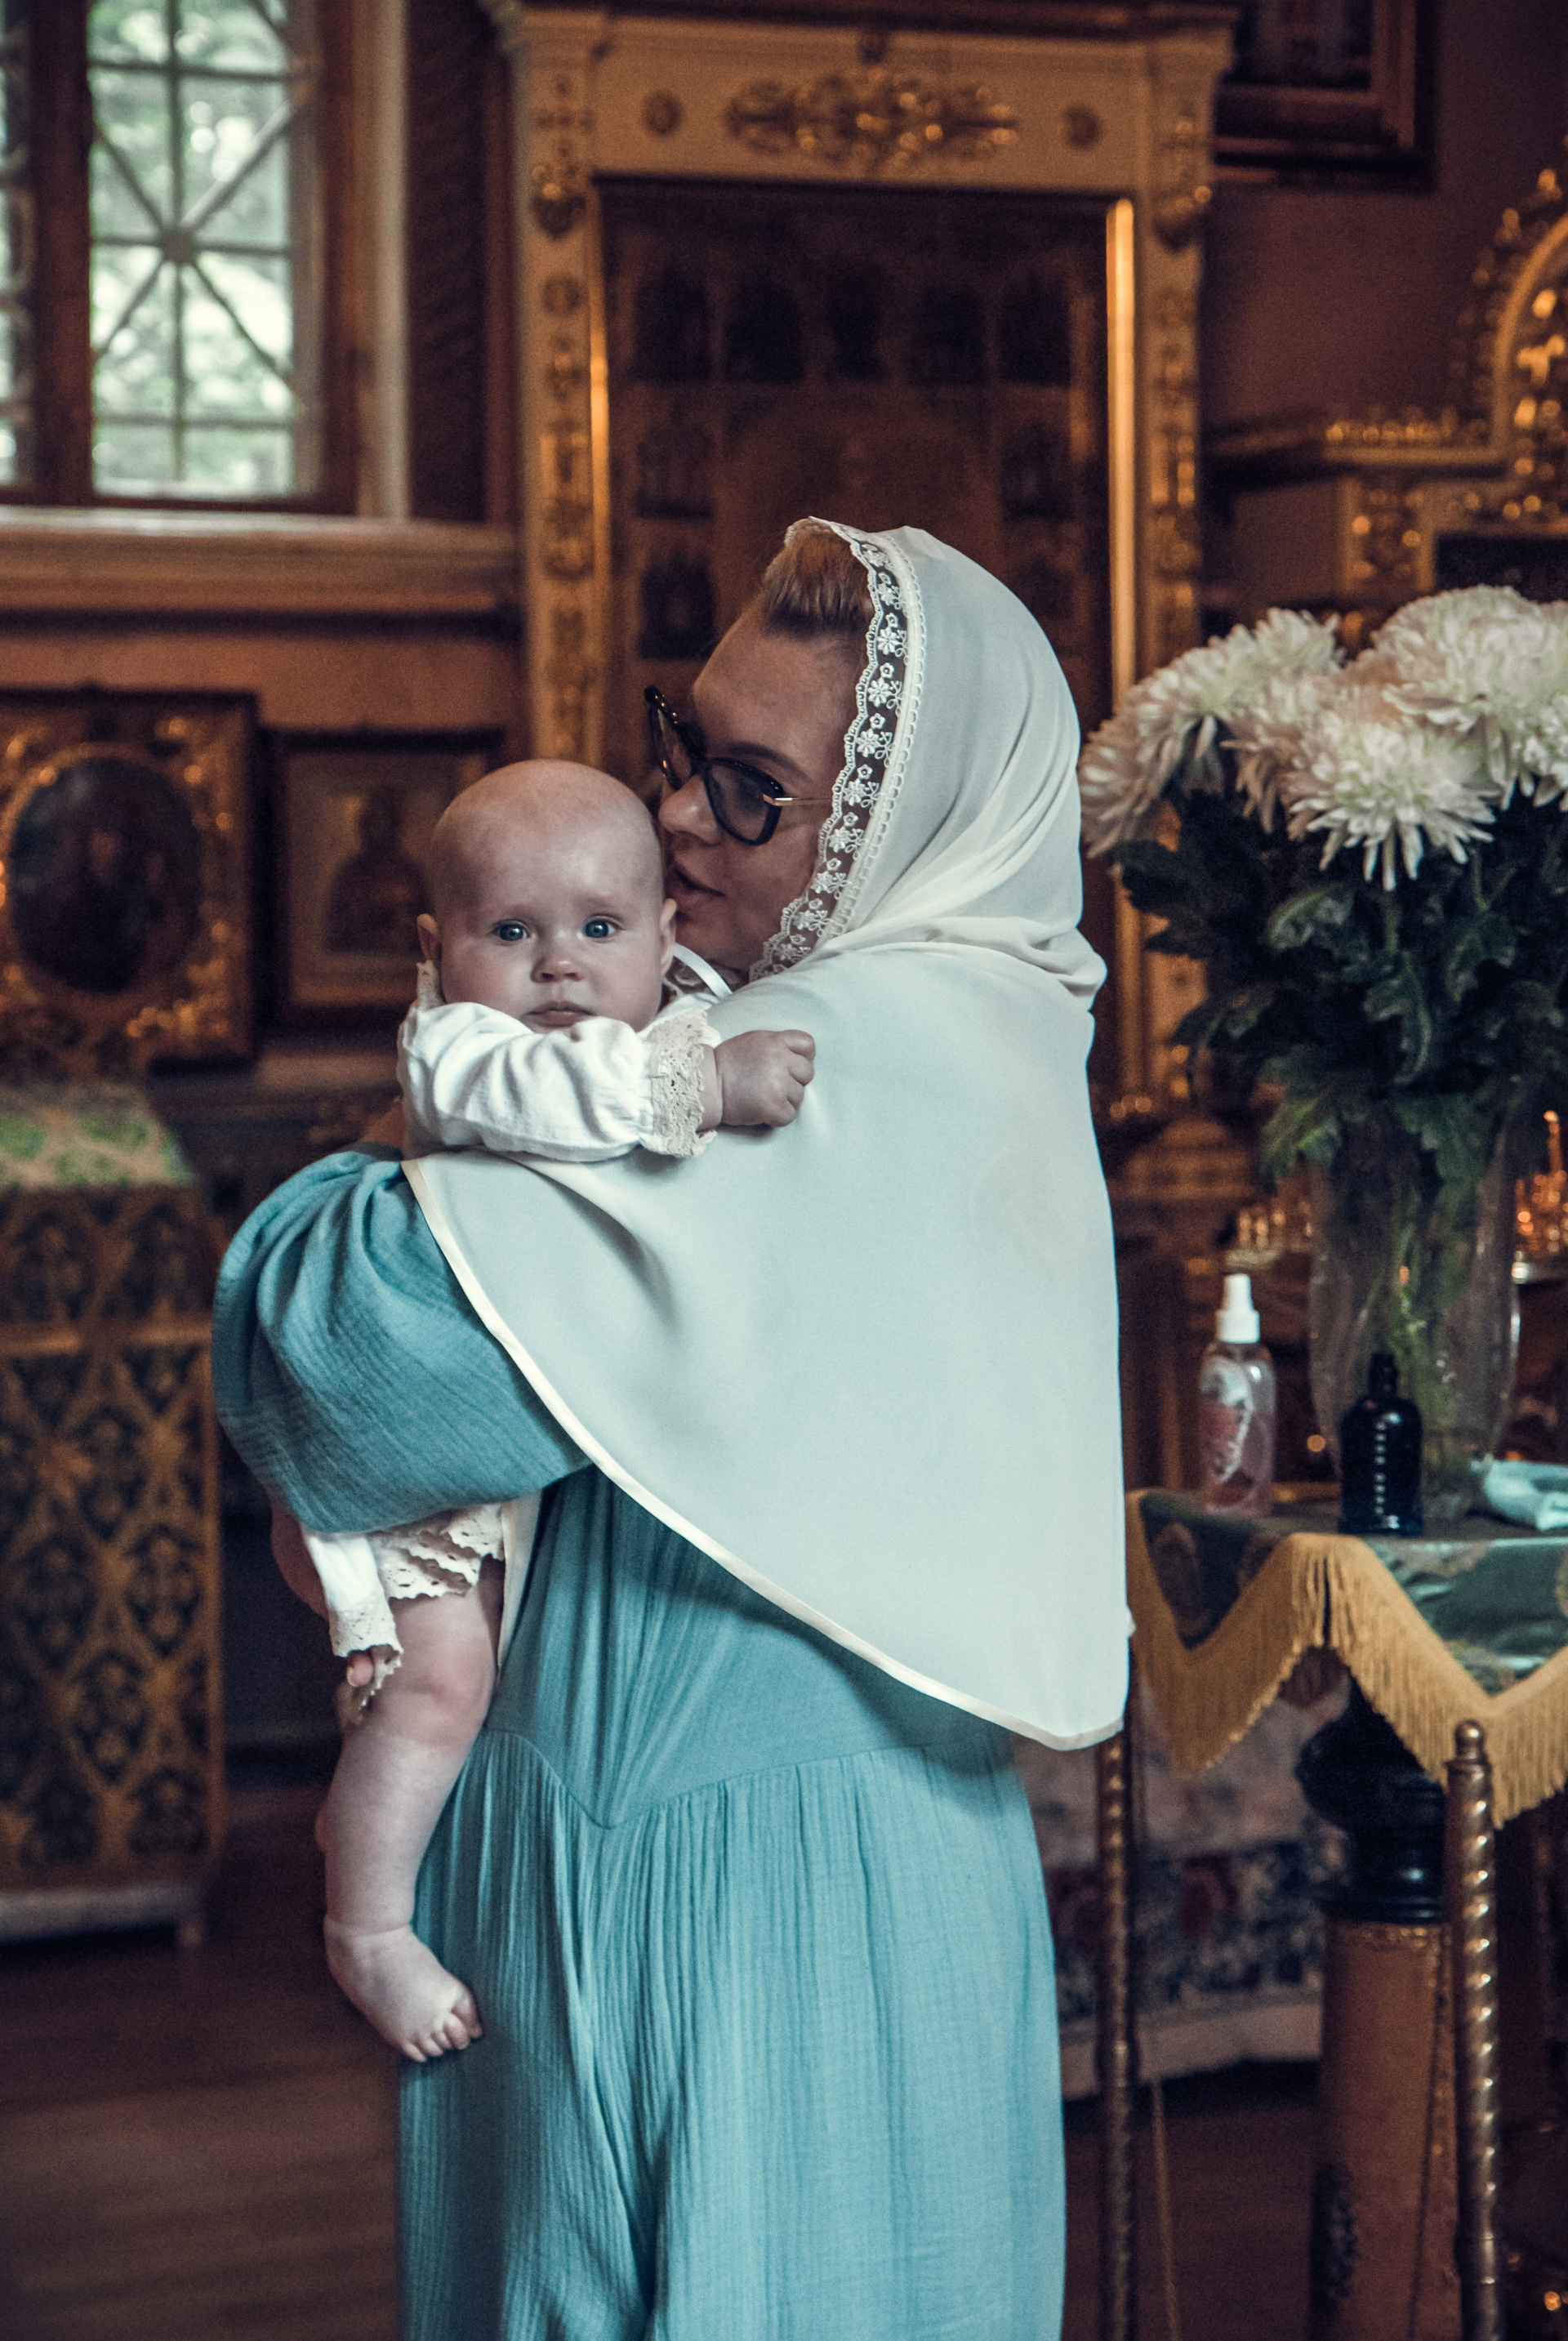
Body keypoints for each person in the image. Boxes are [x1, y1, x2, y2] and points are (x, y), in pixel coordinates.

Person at [215, 519, 1127, 2339]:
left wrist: (422, 1144)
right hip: (602, 1831)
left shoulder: (851, 1059)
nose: (679, 816)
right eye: (683, 744)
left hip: (767, 1886)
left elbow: (334, 1353)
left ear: (901, 824)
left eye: (753, 791)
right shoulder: (801, 1032)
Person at [296, 757, 814, 2061]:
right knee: (443, 1683)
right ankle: (366, 1928)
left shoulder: (660, 1014)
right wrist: (707, 1087)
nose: (561, 965)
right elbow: (560, 1096)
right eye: (513, 931)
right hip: (418, 1442)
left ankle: (361, 1813)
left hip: (502, 1448)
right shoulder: (464, 1052)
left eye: (599, 926)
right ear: (437, 951)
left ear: (667, 935)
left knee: (446, 1691)